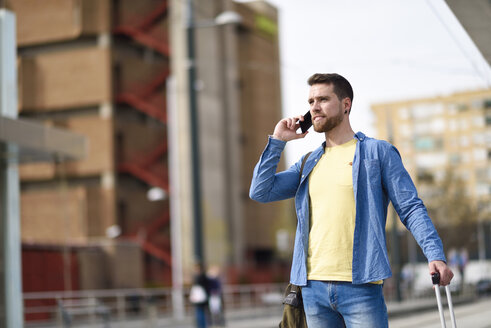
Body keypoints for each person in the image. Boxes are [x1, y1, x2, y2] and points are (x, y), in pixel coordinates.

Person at [249, 73, 454, 327]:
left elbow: (411, 208)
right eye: (311, 100)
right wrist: (278, 141)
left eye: (323, 99)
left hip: (361, 287)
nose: (314, 107)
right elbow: (260, 190)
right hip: (312, 289)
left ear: (346, 105)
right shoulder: (307, 163)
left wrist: (435, 254)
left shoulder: (377, 153)